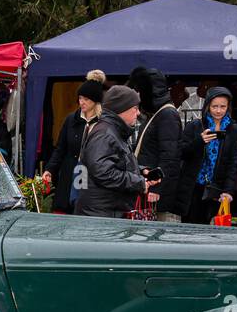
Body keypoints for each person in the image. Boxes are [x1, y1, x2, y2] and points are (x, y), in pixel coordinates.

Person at [75, 84, 150, 217]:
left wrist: (141, 171)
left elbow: (114, 162)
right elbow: (103, 172)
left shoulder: (114, 131)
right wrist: (138, 182)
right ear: (122, 109)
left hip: (106, 212)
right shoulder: (105, 134)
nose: (138, 113)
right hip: (100, 216)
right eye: (135, 108)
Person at [42, 70, 103, 214]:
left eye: (86, 99)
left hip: (92, 176)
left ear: (95, 101)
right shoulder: (71, 119)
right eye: (80, 98)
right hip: (69, 173)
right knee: (65, 210)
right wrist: (49, 169)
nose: (81, 102)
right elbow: (60, 149)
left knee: (85, 211)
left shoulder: (103, 123)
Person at [179, 86, 237, 223]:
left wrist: (228, 190)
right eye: (214, 106)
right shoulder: (195, 125)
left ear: (228, 107)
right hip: (193, 188)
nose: (218, 111)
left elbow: (234, 161)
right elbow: (182, 152)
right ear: (208, 106)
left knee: (212, 229)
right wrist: (199, 141)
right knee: (191, 228)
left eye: (222, 106)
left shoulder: (232, 128)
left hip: (217, 188)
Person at [129, 68, 183, 222]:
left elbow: (170, 156)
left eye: (139, 91)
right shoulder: (157, 114)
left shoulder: (166, 115)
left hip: (158, 195)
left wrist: (158, 187)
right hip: (150, 190)